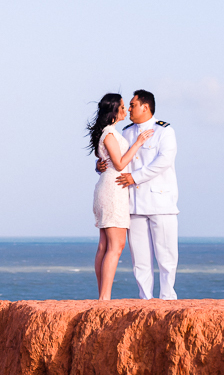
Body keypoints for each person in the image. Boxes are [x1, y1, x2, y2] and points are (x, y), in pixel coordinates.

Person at [97, 89, 179, 300]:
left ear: (145, 106)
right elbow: (117, 161)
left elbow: (164, 161)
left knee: (166, 255)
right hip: (133, 201)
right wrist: (100, 167)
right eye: (129, 105)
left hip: (160, 201)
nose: (130, 109)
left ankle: (167, 297)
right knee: (140, 259)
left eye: (133, 105)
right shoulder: (126, 132)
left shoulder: (164, 131)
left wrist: (136, 177)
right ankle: (145, 298)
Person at [87, 93, 155, 300]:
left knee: (105, 246)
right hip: (113, 190)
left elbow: (106, 162)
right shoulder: (110, 134)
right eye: (123, 107)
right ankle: (105, 297)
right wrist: (138, 143)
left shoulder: (110, 133)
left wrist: (99, 166)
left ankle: (103, 295)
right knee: (115, 246)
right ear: (114, 111)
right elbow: (118, 163)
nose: (126, 110)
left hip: (108, 187)